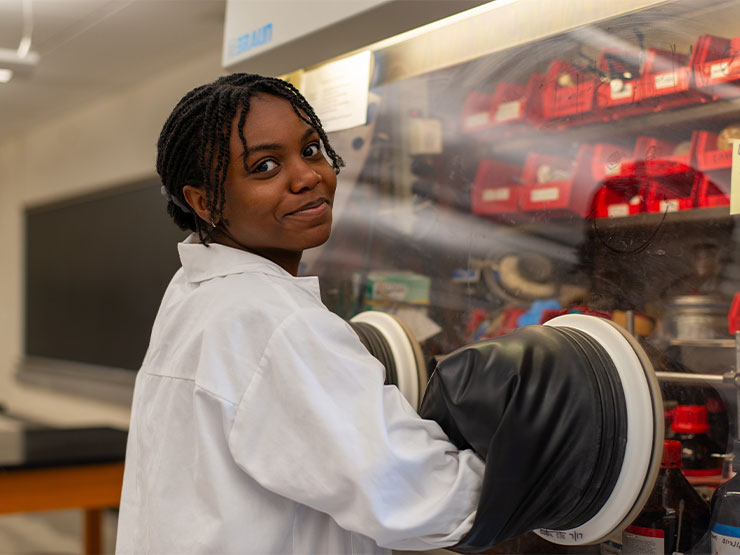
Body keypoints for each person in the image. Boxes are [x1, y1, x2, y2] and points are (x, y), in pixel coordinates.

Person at [115, 73, 485, 554]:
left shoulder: (195, 291)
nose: (308, 176)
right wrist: (534, 459)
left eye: (311, 150)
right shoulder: (273, 321)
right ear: (205, 202)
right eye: (265, 166)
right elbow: (426, 502)